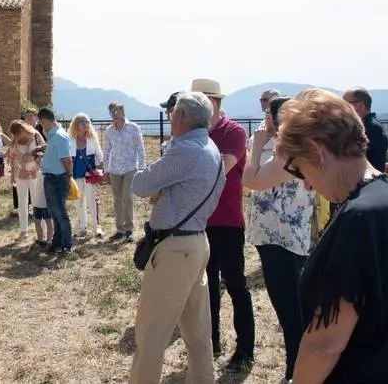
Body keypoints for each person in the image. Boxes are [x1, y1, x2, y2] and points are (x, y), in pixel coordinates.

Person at [277, 88, 388, 383]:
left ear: (319, 150)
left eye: (300, 171)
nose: (307, 186)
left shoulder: (361, 219)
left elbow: (324, 344)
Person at [129, 91, 225, 384]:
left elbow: (141, 184)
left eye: (173, 112)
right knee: (198, 334)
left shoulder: (184, 150)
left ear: (181, 116)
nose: (170, 117)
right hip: (197, 242)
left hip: (174, 250)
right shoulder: (212, 148)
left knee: (151, 334)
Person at [241, 96, 314, 383]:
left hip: (279, 238)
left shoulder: (289, 151)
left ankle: (296, 373)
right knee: (292, 308)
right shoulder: (299, 146)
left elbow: (252, 180)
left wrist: (257, 145)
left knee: (290, 312)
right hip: (285, 236)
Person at [194, 78, 254, 371]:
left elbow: (220, 168)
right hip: (202, 221)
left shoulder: (233, 132)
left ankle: (245, 349)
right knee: (206, 288)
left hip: (227, 221)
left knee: (235, 284)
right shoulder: (197, 135)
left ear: (213, 103)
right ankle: (212, 342)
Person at [103, 101, 146, 242]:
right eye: (112, 112)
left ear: (123, 112)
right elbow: (107, 151)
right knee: (117, 200)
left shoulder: (134, 128)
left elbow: (140, 149)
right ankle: (119, 230)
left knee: (127, 198)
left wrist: (141, 168)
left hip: (130, 168)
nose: (115, 114)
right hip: (115, 169)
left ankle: (129, 229)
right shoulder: (109, 131)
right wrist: (106, 170)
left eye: (117, 111)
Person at [38, 106, 73, 254]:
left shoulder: (58, 136)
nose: (41, 126)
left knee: (60, 213)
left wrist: (68, 177)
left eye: (41, 122)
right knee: (54, 212)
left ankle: (66, 244)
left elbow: (67, 160)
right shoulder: (53, 135)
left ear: (44, 121)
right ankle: (57, 242)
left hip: (57, 179)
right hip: (51, 178)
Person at [7, 119, 48, 243]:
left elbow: (44, 151)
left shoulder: (35, 135)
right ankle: (23, 230)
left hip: (34, 173)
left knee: (37, 202)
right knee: (22, 203)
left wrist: (35, 164)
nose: (18, 136)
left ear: (22, 129)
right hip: (20, 174)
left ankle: (42, 232)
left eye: (18, 133)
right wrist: (12, 175)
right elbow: (13, 157)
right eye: (15, 135)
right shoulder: (15, 140)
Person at [67, 113, 105, 237]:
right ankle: (82, 227)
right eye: (83, 122)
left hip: (90, 174)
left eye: (87, 122)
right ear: (76, 125)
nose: (85, 124)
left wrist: (102, 169)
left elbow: (100, 155)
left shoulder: (92, 138)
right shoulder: (70, 139)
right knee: (79, 201)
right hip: (75, 174)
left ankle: (96, 226)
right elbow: (67, 157)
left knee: (91, 200)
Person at [342, 86, 388, 174]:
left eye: (344, 104)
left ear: (360, 106)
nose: (341, 109)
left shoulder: (371, 129)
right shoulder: (369, 126)